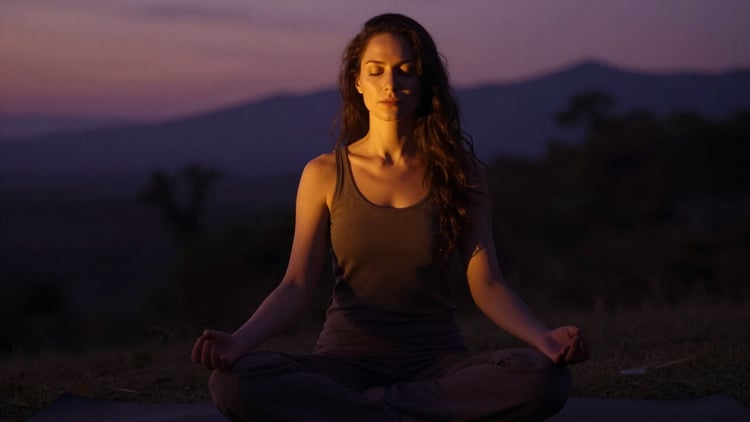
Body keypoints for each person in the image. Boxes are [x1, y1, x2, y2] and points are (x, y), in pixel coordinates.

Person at [191, 13, 589, 421]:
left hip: (436, 365)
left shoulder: (461, 173)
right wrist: (238, 342)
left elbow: (486, 282)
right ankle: (405, 411)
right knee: (233, 383)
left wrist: (545, 339)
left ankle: (373, 410)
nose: (390, 84)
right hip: (343, 365)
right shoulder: (324, 173)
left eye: (405, 71)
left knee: (544, 378)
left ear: (423, 82)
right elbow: (296, 284)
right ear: (358, 83)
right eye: (376, 71)